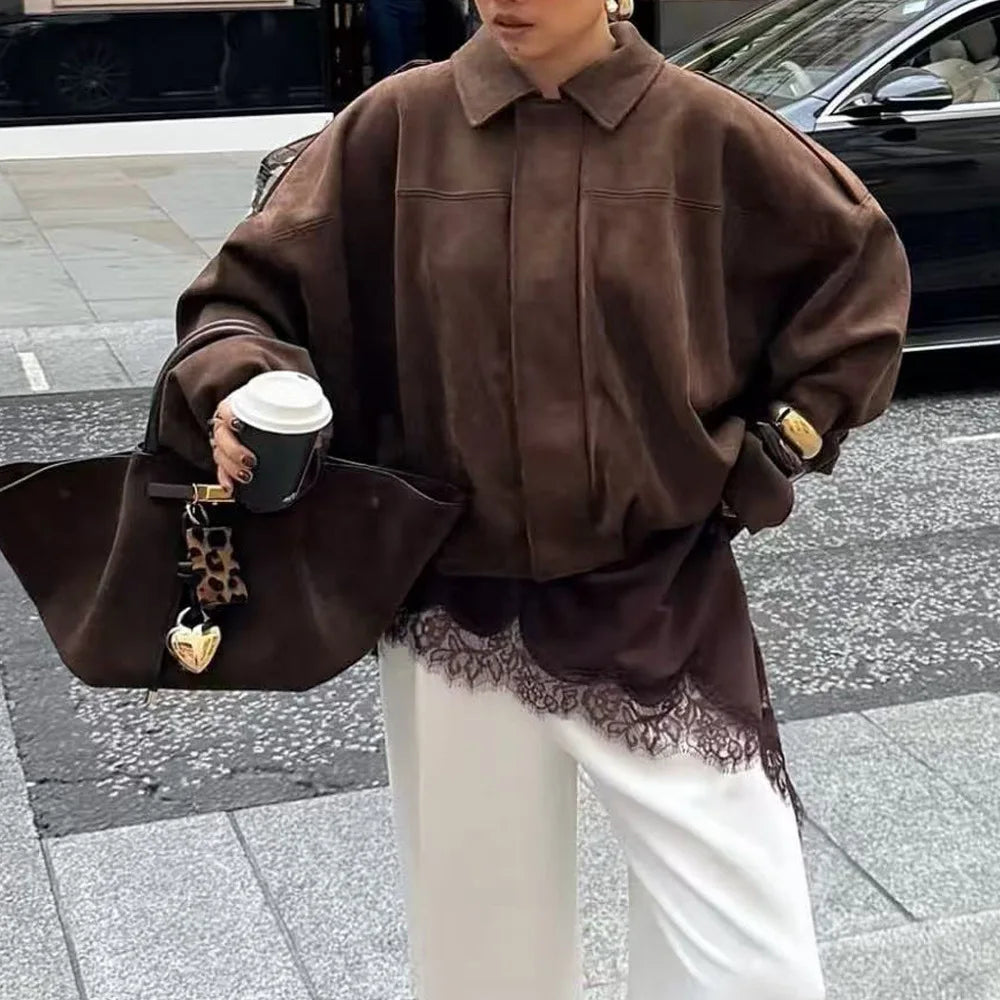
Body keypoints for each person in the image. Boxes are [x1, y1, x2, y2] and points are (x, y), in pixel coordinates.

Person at [161, 0, 910, 995]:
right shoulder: (396, 127)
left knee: (748, 958)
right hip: (450, 601)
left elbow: (858, 287)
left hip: (654, 597)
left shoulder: (707, 131)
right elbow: (242, 298)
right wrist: (242, 382)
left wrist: (769, 452)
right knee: (481, 955)